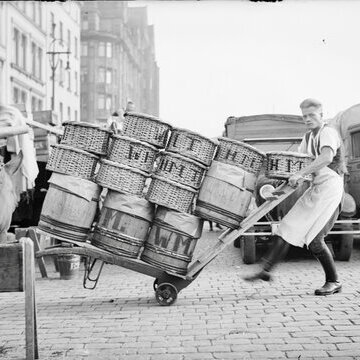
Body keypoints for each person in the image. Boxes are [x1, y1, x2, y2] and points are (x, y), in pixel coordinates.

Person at [244, 98, 347, 296]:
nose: (308, 119)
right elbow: (297, 167)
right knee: (286, 227)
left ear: (321, 115)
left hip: (331, 189)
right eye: (304, 116)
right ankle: (265, 271)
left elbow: (325, 158)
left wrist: (300, 175)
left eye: (312, 115)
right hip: (316, 187)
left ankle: (334, 281)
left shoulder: (328, 133)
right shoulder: (307, 138)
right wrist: (277, 190)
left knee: (316, 240)